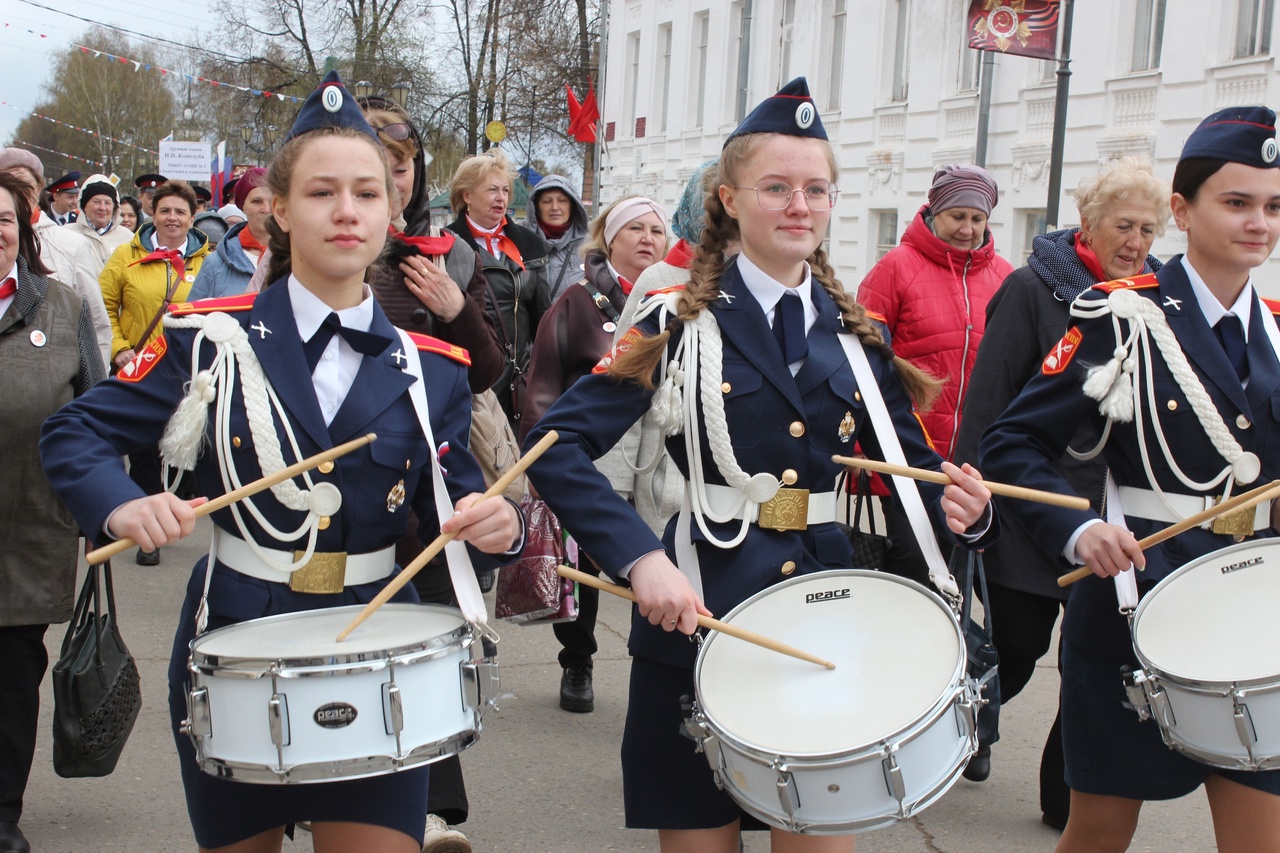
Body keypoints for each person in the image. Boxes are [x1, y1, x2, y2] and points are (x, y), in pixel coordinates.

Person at [39, 70, 523, 853]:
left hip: (376, 645)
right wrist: (121, 504)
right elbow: (72, 434)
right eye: (322, 192)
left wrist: (493, 523)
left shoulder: (432, 364)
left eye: (367, 193)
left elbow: (455, 498)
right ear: (279, 212)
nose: (346, 211)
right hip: (237, 626)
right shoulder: (207, 338)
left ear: (392, 211)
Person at [524, 78, 995, 853]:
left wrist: (969, 508)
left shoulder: (855, 336)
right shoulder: (677, 324)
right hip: (698, 609)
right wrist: (640, 559)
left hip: (822, 620)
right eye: (776, 187)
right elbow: (557, 446)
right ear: (730, 198)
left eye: (817, 189)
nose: (799, 205)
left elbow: (918, 473)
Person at [979, 106, 1280, 853]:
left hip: (1254, 613)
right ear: (1182, 210)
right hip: (1137, 602)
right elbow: (1012, 442)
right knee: (1099, 833)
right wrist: (1077, 530)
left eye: (1274, 206)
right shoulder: (1125, 316)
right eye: (1237, 202)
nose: (1260, 222)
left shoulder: (1276, 329)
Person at [951, 157, 1168, 824]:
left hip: (1111, 513)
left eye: (1148, 230)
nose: (1135, 242)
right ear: (1088, 223)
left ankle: (1063, 795)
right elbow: (988, 400)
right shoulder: (1031, 289)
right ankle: (963, 717)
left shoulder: (1152, 302)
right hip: (1026, 500)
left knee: (1089, 659)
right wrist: (964, 498)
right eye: (1123, 225)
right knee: (1016, 646)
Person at [363, 96, 507, 853]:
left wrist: (456, 307)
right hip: (350, 478)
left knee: (431, 640)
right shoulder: (319, 247)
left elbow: (489, 370)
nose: (390, 179)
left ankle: (434, 813)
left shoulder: (452, 255)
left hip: (435, 477)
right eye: (373, 166)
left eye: (402, 166)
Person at [521, 195, 669, 714]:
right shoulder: (578, 301)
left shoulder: (674, 305)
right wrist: (542, 454)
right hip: (590, 450)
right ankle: (577, 661)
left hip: (652, 458)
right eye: (636, 229)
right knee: (582, 566)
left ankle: (650, 668)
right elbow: (544, 380)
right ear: (609, 238)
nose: (648, 239)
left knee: (649, 566)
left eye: (657, 230)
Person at [0, 169, 104, 853]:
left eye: (3, 220)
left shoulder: (60, 309)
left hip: (25, 526)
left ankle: (2, 811)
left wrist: (106, 508)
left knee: (10, 679)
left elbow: (96, 416)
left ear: (22, 230)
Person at [856, 164, 1013, 595]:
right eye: (957, 216)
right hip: (909, 458)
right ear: (933, 212)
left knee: (961, 576)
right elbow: (864, 363)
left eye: (977, 219)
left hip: (974, 464)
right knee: (914, 576)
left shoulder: (1003, 276)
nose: (967, 229)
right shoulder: (895, 267)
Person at [99, 179, 211, 564]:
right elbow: (103, 307)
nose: (172, 218)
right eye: (165, 210)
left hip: (186, 373)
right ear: (153, 214)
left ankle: (172, 512)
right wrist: (119, 349)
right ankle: (149, 537)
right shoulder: (124, 256)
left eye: (181, 211)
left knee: (178, 450)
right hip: (139, 371)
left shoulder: (207, 262)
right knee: (144, 452)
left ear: (192, 217)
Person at [445, 147, 552, 430]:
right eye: (492, 190)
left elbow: (543, 315)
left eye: (505, 190)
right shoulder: (447, 245)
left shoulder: (529, 243)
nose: (501, 197)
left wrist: (542, 371)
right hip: (472, 374)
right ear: (467, 195)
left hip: (522, 377)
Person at [0, 151, 112, 371]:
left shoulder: (72, 244)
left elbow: (97, 324)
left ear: (39, 189)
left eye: (25, 187)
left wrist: (93, 393)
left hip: (54, 379)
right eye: (10, 186)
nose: (18, 195)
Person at [190, 168, 271, 300]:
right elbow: (195, 317)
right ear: (242, 206)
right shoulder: (214, 264)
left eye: (272, 201)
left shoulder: (298, 259)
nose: (266, 209)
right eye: (257, 201)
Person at [527, 175, 590, 303]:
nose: (555, 207)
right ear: (536, 207)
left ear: (572, 205)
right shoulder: (519, 239)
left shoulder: (591, 244)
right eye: (547, 201)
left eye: (562, 200)